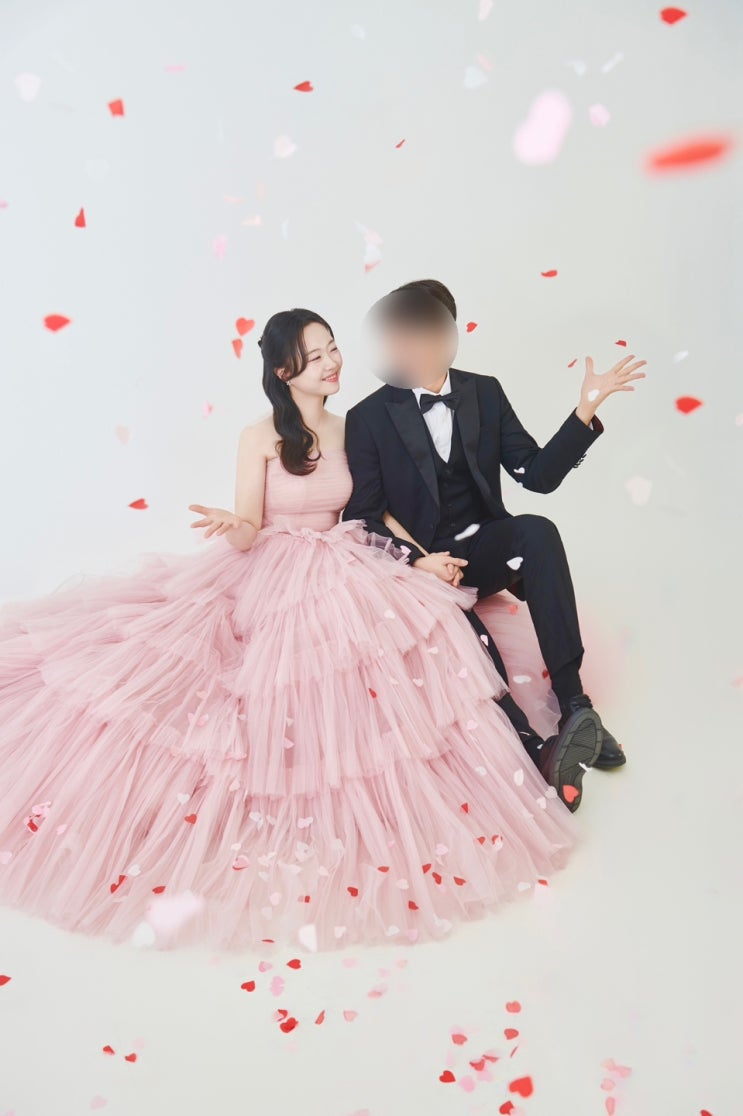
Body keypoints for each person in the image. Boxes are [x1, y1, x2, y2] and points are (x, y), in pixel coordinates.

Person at [0, 308, 579, 953]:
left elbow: (375, 509)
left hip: (346, 556)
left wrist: (420, 559)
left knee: (417, 633)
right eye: (315, 355)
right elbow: (251, 526)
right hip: (274, 564)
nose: (332, 362)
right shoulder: (260, 436)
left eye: (333, 348)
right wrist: (235, 524)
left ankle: (533, 738)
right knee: (264, 675)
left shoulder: (355, 425)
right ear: (283, 372)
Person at [342, 280, 647, 808]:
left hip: (482, 548)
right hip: (425, 570)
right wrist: (419, 563)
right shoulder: (367, 417)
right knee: (463, 633)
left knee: (538, 529)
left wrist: (584, 411)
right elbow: (363, 515)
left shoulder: (484, 391)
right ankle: (534, 748)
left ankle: (577, 709)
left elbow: (535, 475)